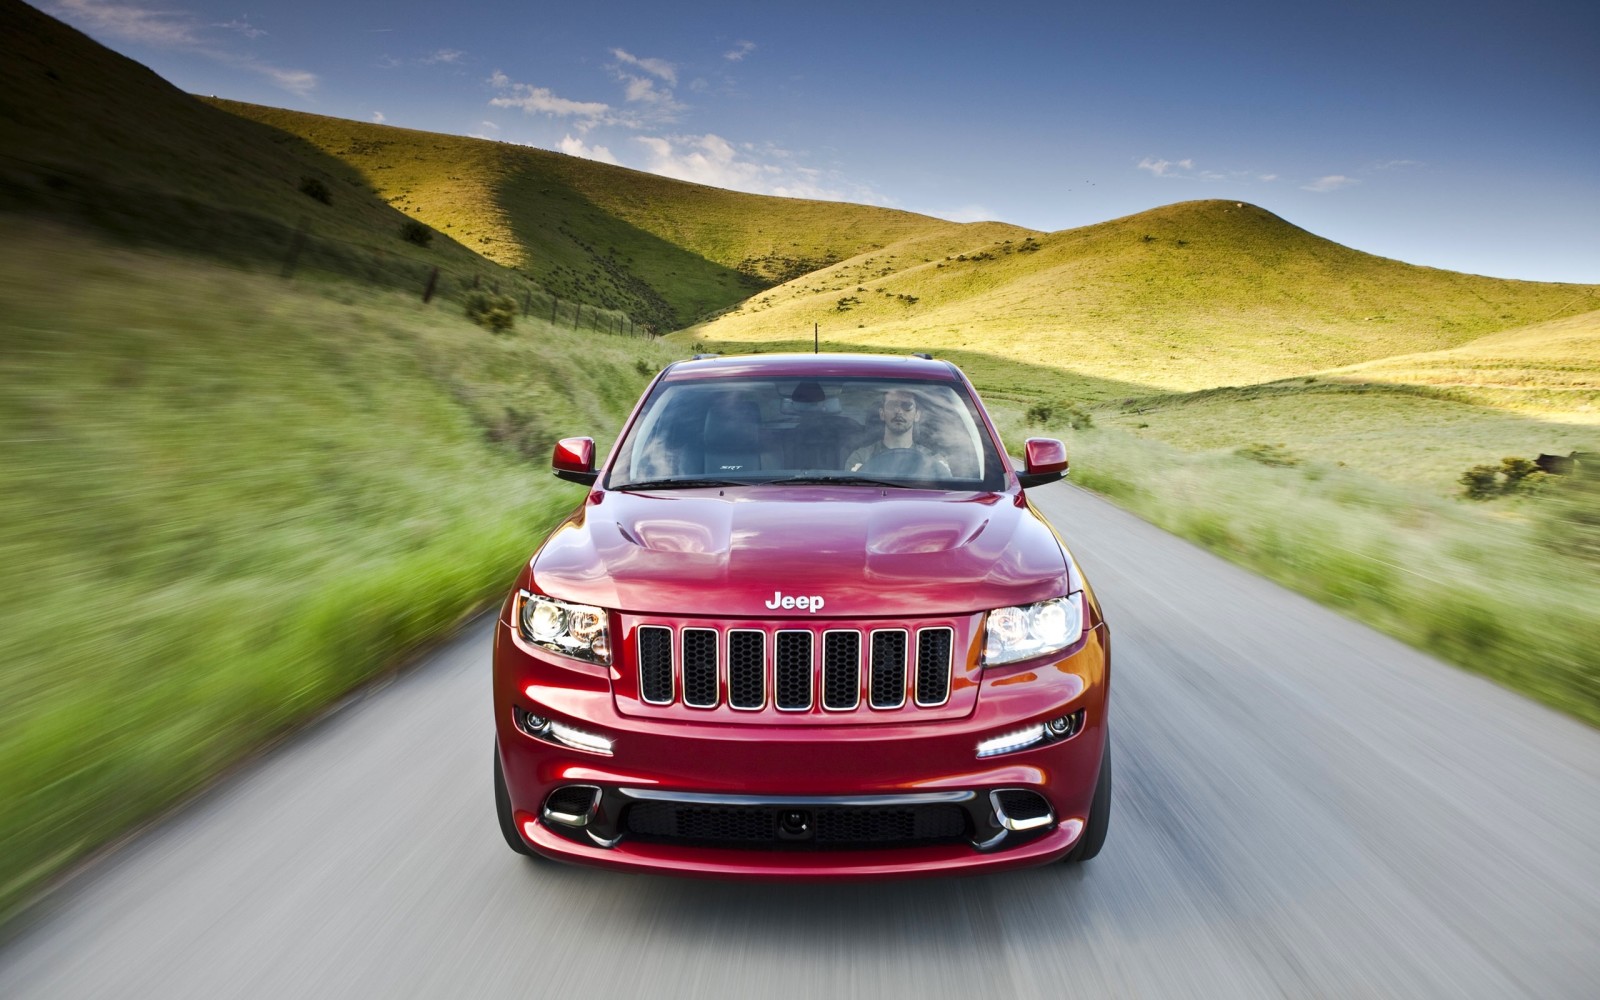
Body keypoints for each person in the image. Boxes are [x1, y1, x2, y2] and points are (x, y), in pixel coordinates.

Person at [844, 388, 952, 477]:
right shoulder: (861, 458)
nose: (899, 411)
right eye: (892, 405)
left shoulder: (933, 460)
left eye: (907, 406)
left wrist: (944, 474)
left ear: (917, 415)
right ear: (882, 413)